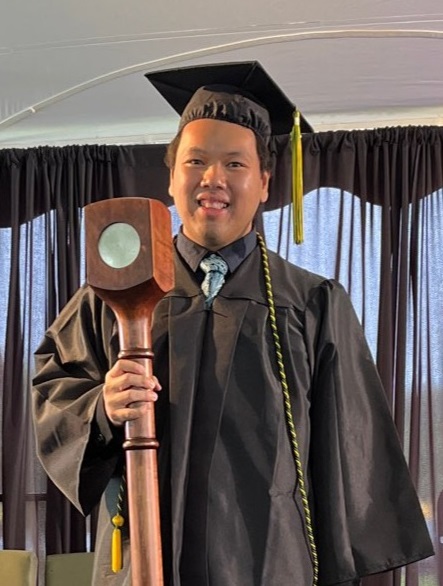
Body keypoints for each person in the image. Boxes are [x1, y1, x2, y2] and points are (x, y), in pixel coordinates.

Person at [32, 61, 433, 586]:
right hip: (145, 562)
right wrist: (102, 409)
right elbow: (53, 391)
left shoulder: (313, 304)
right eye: (195, 160)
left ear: (266, 183)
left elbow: (351, 460)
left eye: (235, 165)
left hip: (273, 564)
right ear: (171, 176)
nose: (212, 179)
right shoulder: (113, 295)